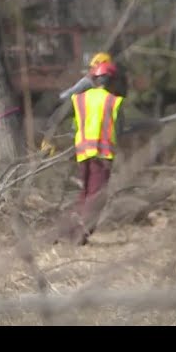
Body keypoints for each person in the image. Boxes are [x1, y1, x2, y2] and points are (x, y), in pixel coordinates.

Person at [66, 60, 125, 245]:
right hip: (102, 153)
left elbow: (74, 125)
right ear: (112, 81)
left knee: (84, 193)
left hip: (82, 151)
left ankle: (69, 233)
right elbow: (121, 129)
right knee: (96, 196)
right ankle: (80, 235)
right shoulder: (114, 101)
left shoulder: (79, 99)